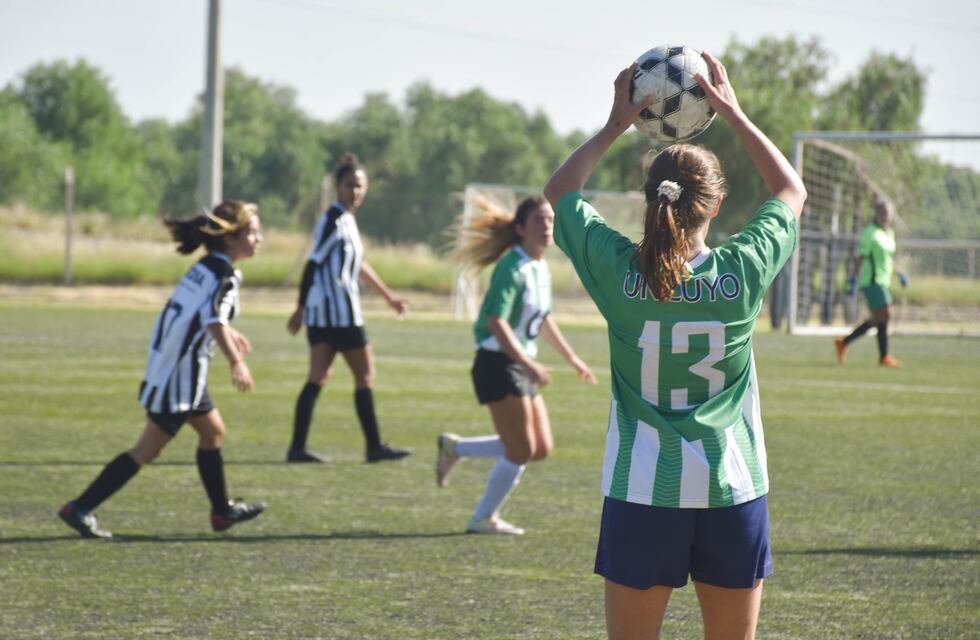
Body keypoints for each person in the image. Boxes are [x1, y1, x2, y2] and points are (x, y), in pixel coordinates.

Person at [542, 53, 807, 639]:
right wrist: (733, 114)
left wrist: (615, 124)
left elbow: (559, 190)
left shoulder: (620, 273)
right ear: (715, 204)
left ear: (650, 198)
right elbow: (791, 188)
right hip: (731, 488)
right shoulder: (743, 270)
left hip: (642, 490)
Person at [58, 201, 267, 539]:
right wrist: (236, 360)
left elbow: (200, 314)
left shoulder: (205, 267)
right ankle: (80, 507)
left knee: (213, 432)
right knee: (148, 449)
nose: (259, 239)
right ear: (230, 238)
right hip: (179, 375)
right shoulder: (225, 276)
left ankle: (221, 511)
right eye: (253, 233)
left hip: (177, 368)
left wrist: (230, 331)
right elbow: (213, 320)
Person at [436, 195, 597, 535]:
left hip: (518, 364)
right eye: (539, 220)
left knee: (540, 448)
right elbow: (496, 322)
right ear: (521, 228)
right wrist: (528, 363)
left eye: (550, 219)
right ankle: (482, 518)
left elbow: (544, 319)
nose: (547, 226)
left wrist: (572, 358)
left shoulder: (540, 268)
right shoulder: (512, 267)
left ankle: (455, 448)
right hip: (497, 362)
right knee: (521, 448)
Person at [286, 153, 411, 463]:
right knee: (365, 376)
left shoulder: (346, 220)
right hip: (340, 314)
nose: (355, 191)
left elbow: (359, 265)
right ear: (338, 187)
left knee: (318, 377)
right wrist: (299, 308)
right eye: (349, 185)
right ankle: (374, 447)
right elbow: (313, 264)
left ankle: (297, 448)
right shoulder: (334, 220)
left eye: (359, 185)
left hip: (323, 315)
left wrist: (388, 297)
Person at [835, 198, 908, 367]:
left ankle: (845, 343)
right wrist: (852, 279)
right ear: (876, 213)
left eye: (887, 212)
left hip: (884, 280)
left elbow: (888, 258)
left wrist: (900, 273)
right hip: (872, 281)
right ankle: (883, 356)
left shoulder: (889, 233)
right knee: (886, 313)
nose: (884, 215)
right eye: (881, 211)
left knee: (878, 319)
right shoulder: (870, 232)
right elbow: (861, 257)